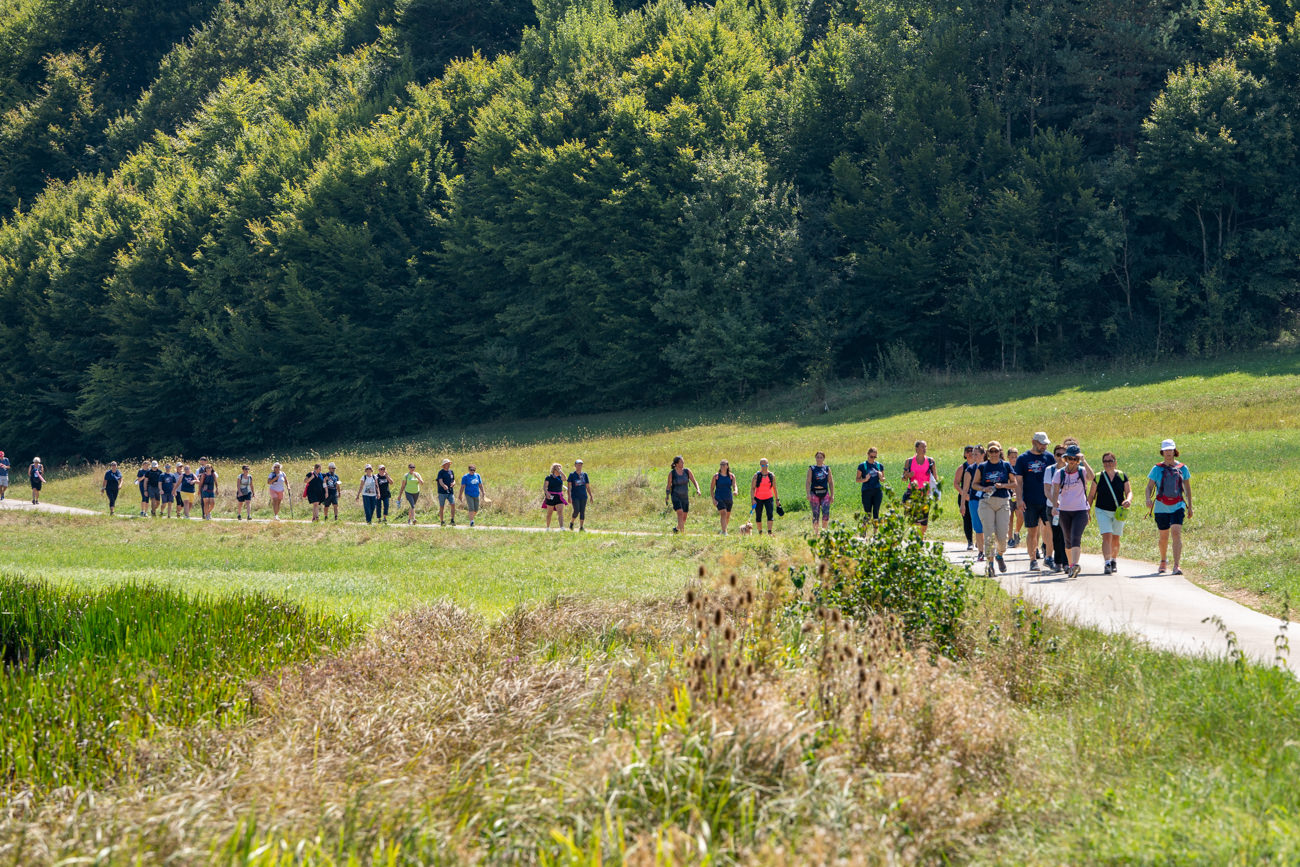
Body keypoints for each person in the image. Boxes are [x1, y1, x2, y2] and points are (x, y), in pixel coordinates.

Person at [1145, 439, 1193, 575]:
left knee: (1176, 532)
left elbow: (1188, 489)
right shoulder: (1156, 469)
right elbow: (1148, 487)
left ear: (1174, 451)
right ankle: (1163, 560)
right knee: (1163, 536)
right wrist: (1148, 499)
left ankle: (1176, 565)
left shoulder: (1183, 468)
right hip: (1161, 507)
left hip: (1178, 505)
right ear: (1162, 452)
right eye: (1166, 450)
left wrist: (1190, 506)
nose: (1168, 453)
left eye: (1170, 450)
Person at [1049, 444, 1094, 579]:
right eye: (1070, 458)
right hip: (1064, 510)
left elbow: (1092, 477)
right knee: (1067, 540)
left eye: (1075, 459)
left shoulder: (1082, 471)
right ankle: (1070, 565)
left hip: (1080, 510)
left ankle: (1075, 564)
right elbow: (1056, 490)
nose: (1072, 461)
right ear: (1066, 459)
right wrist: (1054, 505)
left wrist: (1084, 460)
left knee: (1075, 537)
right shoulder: (1060, 473)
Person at [1013, 432, 1055, 572]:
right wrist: (1019, 499)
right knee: (1032, 531)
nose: (1044, 446)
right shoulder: (1023, 459)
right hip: (1029, 501)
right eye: (1042, 443)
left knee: (1049, 529)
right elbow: (1018, 481)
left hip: (1047, 500)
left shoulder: (1049, 457)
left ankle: (1049, 557)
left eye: (1046, 444)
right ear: (1034, 442)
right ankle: (1033, 560)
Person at [972, 441, 1014, 575]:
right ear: (988, 453)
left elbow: (1014, 483)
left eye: (996, 451)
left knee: (1002, 536)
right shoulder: (983, 467)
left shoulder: (1006, 465)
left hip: (1002, 502)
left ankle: (1000, 555)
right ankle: (990, 565)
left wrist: (1003, 485)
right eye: (991, 451)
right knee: (989, 534)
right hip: (986, 502)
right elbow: (974, 484)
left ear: (1000, 452)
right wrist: (984, 488)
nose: (994, 454)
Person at [1089, 452, 1132, 575]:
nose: (1108, 464)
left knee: (1116, 538)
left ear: (1115, 462)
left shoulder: (1122, 476)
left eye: (1110, 461)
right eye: (1105, 461)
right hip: (1102, 510)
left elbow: (1129, 491)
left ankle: (1114, 560)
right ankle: (1107, 563)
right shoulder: (1098, 477)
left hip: (1118, 511)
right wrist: (1087, 510)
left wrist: (1128, 500)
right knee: (1107, 536)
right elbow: (1091, 495)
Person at [901, 440, 938, 536]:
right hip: (913, 493)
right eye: (922, 447)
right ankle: (916, 539)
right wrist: (908, 475)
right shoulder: (909, 461)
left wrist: (934, 492)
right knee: (916, 519)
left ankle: (920, 539)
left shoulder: (930, 461)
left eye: (925, 447)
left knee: (924, 521)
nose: (924, 449)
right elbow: (903, 478)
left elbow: (935, 478)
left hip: (925, 494)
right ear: (916, 448)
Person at [955, 446, 982, 554]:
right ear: (965, 454)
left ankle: (979, 540)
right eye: (968, 451)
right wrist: (964, 495)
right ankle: (970, 541)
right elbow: (956, 484)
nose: (970, 453)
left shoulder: (981, 466)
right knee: (967, 520)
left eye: (972, 451)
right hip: (965, 496)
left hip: (977, 496)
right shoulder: (962, 467)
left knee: (979, 519)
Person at [666, 456, 700, 534]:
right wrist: (667, 496)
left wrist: (698, 489)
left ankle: (676, 529)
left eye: (683, 462)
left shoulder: (687, 471)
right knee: (680, 513)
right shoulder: (672, 473)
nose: (683, 464)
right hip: (675, 496)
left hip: (684, 496)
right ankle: (682, 533)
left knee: (684, 518)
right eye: (681, 462)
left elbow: (694, 481)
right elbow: (668, 485)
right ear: (676, 464)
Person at [806, 452, 834, 531]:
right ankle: (816, 532)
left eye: (821, 457)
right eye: (817, 457)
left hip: (825, 493)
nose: (819, 459)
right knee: (815, 513)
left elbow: (831, 482)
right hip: (814, 493)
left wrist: (832, 495)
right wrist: (808, 493)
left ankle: (824, 531)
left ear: (823, 458)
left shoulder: (827, 469)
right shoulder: (812, 469)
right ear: (815, 458)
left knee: (826, 513)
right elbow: (808, 482)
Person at [750, 458, 778, 535]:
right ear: (760, 465)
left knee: (770, 514)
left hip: (769, 498)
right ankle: (760, 532)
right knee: (758, 515)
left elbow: (774, 488)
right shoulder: (756, 476)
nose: (764, 466)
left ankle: (769, 532)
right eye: (763, 465)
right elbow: (752, 488)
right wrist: (753, 500)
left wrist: (777, 499)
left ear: (768, 464)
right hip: (758, 498)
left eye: (766, 465)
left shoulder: (771, 475)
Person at [855, 448, 884, 522]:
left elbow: (883, 480)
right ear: (868, 455)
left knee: (876, 512)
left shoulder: (879, 465)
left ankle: (875, 533)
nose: (873, 458)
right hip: (866, 491)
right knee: (867, 513)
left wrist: (881, 477)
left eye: (875, 457)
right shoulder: (862, 466)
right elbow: (857, 479)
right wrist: (865, 479)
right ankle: (864, 532)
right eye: (871, 456)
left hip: (877, 491)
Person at [710, 459, 736, 534]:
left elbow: (734, 485)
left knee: (727, 516)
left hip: (728, 498)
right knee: (723, 513)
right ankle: (725, 531)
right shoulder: (716, 476)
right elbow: (712, 489)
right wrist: (713, 499)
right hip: (719, 498)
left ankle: (723, 529)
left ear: (727, 466)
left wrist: (735, 491)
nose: (722, 466)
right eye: (721, 464)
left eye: (724, 464)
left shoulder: (731, 476)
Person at [568, 460, 593, 531]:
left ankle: (581, 527)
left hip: (583, 496)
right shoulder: (572, 475)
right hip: (575, 496)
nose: (579, 466)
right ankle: (571, 523)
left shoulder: (585, 475)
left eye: (581, 465)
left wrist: (591, 495)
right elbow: (569, 487)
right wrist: (569, 496)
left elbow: (587, 486)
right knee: (576, 510)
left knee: (582, 511)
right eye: (578, 465)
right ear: (575, 465)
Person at [1006, 446, 1022, 547]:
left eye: (1016, 456)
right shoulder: (1006, 467)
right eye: (1012, 457)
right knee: (1009, 517)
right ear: (1008, 457)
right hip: (1008, 494)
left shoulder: (1019, 467)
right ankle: (1010, 538)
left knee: (1020, 516)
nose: (1014, 459)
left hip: (1019, 494)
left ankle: (1017, 532)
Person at [542, 463, 566, 529]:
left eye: (560, 468)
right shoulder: (549, 477)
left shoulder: (560, 477)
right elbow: (545, 487)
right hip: (551, 496)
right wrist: (547, 493)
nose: (559, 469)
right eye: (558, 468)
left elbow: (565, 479)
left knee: (560, 512)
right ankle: (548, 527)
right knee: (549, 513)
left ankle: (562, 527)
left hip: (559, 496)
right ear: (554, 469)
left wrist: (560, 471)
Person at [436, 459, 457, 526]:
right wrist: (443, 485)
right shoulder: (441, 472)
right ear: (444, 465)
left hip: (450, 491)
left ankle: (452, 520)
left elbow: (453, 480)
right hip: (442, 492)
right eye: (447, 464)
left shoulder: (451, 472)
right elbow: (440, 481)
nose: (448, 465)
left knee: (453, 504)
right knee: (442, 506)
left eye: (449, 464)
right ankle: (442, 521)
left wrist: (453, 483)